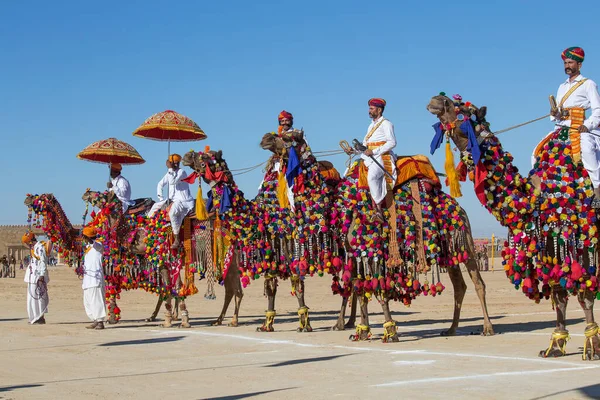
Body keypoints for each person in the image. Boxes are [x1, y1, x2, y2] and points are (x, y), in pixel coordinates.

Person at [540, 47, 600, 204]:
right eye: (565, 63)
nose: (567, 65)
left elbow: (598, 109)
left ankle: (597, 190)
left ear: (579, 65)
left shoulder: (588, 84)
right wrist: (555, 112)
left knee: (587, 150)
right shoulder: (562, 87)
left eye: (570, 62)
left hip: (580, 128)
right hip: (561, 128)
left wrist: (588, 125)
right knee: (538, 152)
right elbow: (559, 113)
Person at [346, 98, 397, 222]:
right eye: (369, 108)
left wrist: (374, 151)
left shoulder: (386, 123)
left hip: (381, 156)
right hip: (369, 157)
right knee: (348, 173)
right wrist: (353, 150)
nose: (369, 111)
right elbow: (364, 145)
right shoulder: (371, 126)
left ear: (379, 110)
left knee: (372, 177)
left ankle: (378, 210)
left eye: (371, 109)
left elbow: (392, 142)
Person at [148, 154, 195, 248]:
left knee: (172, 213)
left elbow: (173, 181)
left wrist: (170, 169)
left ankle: (177, 238)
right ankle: (149, 231)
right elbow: (160, 184)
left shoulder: (182, 172)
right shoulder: (169, 173)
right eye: (173, 163)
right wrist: (161, 199)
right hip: (171, 199)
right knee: (153, 208)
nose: (175, 165)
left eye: (176, 163)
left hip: (182, 201)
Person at [81, 226, 106, 329]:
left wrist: (90, 240)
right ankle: (95, 319)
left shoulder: (98, 245)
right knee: (88, 301)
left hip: (95, 279)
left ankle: (100, 321)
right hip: (87, 279)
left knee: (97, 300)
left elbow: (95, 245)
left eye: (84, 237)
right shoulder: (88, 248)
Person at [22, 232, 49, 324]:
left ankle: (40, 317)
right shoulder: (34, 248)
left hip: (38, 277)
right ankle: (34, 317)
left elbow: (43, 261)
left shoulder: (40, 247)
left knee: (38, 297)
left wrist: (42, 275)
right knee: (31, 298)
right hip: (32, 277)